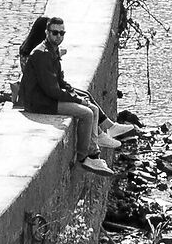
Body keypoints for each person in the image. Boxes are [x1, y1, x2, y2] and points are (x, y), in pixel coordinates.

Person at [15, 15, 114, 176]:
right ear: (46, 32)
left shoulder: (52, 51)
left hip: (48, 97)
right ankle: (84, 158)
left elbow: (61, 81)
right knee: (87, 113)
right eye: (55, 33)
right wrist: (76, 99)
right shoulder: (42, 54)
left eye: (62, 33)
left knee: (92, 108)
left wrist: (75, 95)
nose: (58, 36)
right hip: (40, 102)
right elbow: (52, 90)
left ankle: (94, 153)